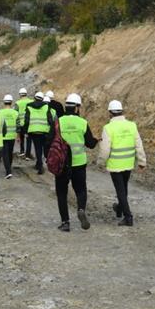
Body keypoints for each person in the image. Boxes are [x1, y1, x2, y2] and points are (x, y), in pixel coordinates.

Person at [96, 99, 146, 226]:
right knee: (123, 188)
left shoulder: (108, 128)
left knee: (120, 190)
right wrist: (142, 161)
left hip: (115, 164)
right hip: (128, 163)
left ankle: (128, 217)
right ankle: (119, 208)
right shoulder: (131, 125)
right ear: (122, 111)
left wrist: (100, 162)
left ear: (110, 113)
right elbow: (138, 144)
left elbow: (105, 148)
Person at [55, 93, 97, 232]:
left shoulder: (59, 122)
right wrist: (96, 140)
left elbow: (50, 141)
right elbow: (90, 144)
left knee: (61, 193)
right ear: (77, 107)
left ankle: (65, 222)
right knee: (80, 190)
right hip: (79, 163)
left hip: (62, 164)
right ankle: (80, 209)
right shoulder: (83, 123)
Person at [20, 91, 55, 174]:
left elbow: (27, 120)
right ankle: (40, 164)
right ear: (42, 99)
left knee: (37, 149)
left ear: (34, 98)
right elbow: (50, 120)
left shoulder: (29, 107)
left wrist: (25, 131)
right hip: (44, 131)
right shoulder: (46, 107)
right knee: (43, 148)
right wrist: (51, 131)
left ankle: (39, 164)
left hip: (34, 131)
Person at [0, 94, 19, 179]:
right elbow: (18, 125)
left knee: (5, 154)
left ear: (4, 102)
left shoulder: (0, 112)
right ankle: (9, 168)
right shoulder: (15, 113)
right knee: (10, 153)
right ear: (11, 102)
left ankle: (8, 171)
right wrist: (18, 136)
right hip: (12, 136)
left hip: (3, 136)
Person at [15, 87, 32, 159]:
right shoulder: (31, 101)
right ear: (26, 94)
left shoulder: (17, 103)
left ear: (20, 94)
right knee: (29, 138)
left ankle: (22, 151)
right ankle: (28, 154)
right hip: (29, 123)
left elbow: (16, 113)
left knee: (21, 137)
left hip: (21, 123)